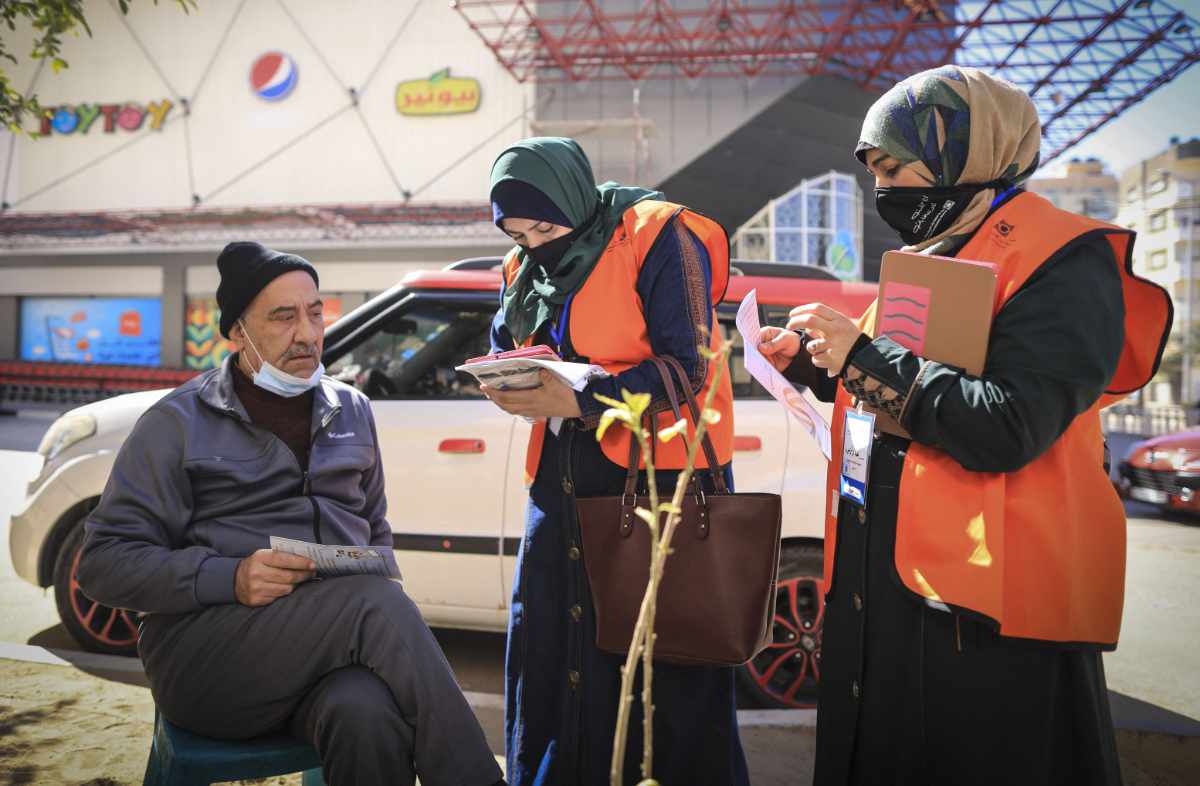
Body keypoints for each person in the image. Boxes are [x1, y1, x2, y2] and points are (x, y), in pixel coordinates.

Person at [758, 66, 1172, 786]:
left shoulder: (1065, 261)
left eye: (894, 165)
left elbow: (1008, 423)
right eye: (875, 169)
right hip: (891, 589)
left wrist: (860, 354)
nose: (882, 187)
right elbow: (898, 380)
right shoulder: (933, 253)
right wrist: (810, 363)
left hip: (983, 615)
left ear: (961, 153)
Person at [78, 241, 503, 786]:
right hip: (209, 663)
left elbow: (375, 530)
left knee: (366, 714)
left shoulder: (353, 410)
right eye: (282, 317)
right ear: (235, 332)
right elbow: (103, 564)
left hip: (329, 657)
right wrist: (229, 577)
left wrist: (357, 565)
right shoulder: (176, 424)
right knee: (374, 602)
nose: (307, 334)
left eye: (315, 312)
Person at [480, 137, 748, 786]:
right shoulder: (522, 269)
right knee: (552, 658)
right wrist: (510, 377)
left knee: (658, 677)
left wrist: (582, 395)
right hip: (560, 490)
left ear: (575, 197)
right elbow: (509, 341)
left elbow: (688, 369)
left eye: (544, 226)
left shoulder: (659, 236)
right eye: (517, 232)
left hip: (656, 493)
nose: (533, 243)